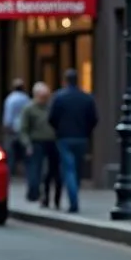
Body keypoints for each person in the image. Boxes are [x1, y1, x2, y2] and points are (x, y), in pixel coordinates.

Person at [47, 68, 98, 213]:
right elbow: (94, 119)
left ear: (65, 81)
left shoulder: (59, 97)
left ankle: (73, 201)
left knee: (69, 169)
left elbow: (51, 118)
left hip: (65, 138)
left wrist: (58, 130)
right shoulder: (87, 98)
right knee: (77, 168)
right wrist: (86, 131)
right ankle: (74, 194)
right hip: (81, 137)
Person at [17, 82, 60, 207]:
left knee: (52, 171)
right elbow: (23, 129)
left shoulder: (51, 107)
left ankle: (47, 195)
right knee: (35, 169)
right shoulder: (29, 109)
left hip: (52, 142)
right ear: (36, 95)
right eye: (42, 96)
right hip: (36, 142)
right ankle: (34, 193)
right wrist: (27, 144)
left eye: (46, 96)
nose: (44, 99)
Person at [1, 77, 31, 177]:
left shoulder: (10, 99)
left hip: (12, 130)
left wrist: (6, 127)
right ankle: (26, 173)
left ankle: (10, 174)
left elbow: (8, 116)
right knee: (25, 154)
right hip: (23, 129)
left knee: (11, 154)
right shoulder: (26, 99)